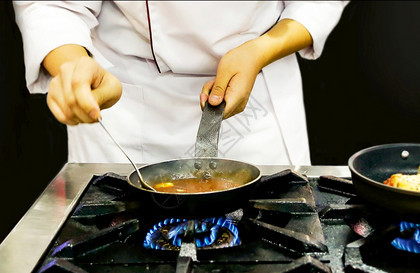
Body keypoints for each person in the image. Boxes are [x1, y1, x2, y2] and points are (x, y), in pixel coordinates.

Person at [13, 1, 347, 166]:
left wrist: (260, 50)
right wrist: (74, 65)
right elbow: (51, 4)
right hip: (124, 108)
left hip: (258, 107)